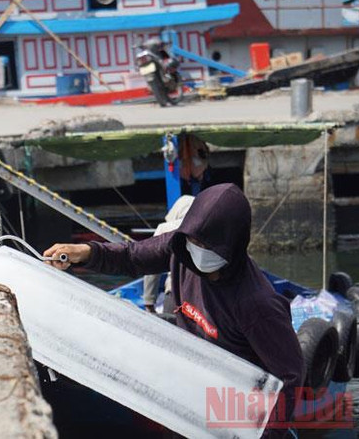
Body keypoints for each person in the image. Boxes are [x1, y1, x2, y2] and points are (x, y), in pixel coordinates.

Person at [44, 184, 304, 434]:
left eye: (207, 246)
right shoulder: (181, 248)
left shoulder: (257, 304)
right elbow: (131, 257)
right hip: (189, 393)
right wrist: (87, 252)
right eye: (193, 240)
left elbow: (290, 377)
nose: (197, 250)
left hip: (235, 409)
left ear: (231, 246)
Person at [142, 194, 194, 313]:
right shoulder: (207, 228)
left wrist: (149, 302)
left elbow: (152, 267)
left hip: (175, 295)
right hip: (202, 296)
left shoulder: (165, 229)